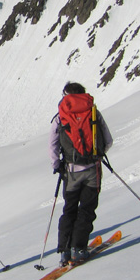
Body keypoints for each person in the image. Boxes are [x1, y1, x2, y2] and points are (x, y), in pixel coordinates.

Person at [49, 82, 113, 266]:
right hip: (93, 170)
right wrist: (97, 155)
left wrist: (57, 165)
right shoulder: (93, 112)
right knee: (86, 209)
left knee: (69, 209)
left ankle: (64, 251)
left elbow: (52, 146)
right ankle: (79, 249)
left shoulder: (60, 117)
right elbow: (108, 140)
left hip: (71, 172)